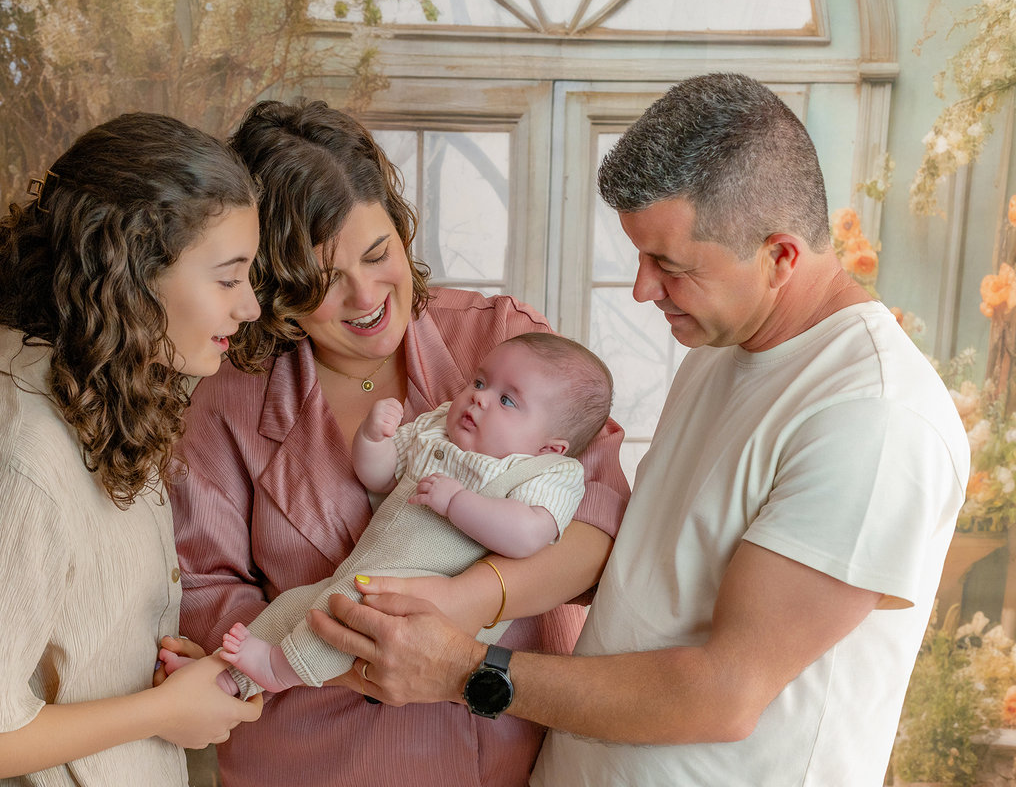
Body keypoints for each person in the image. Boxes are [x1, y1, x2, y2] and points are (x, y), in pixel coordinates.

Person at [308, 72, 971, 786]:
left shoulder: (874, 418)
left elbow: (724, 695)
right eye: (640, 256)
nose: (641, 289)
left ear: (780, 256)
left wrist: (466, 670)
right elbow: (648, 583)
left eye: (670, 266)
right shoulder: (723, 350)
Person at [165, 98, 631, 787]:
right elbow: (206, 589)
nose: (365, 296)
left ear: (401, 229)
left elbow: (599, 522)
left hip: (499, 759)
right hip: (312, 761)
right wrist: (362, 658)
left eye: (378, 254)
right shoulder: (228, 399)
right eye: (326, 280)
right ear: (273, 286)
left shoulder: (505, 340)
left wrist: (467, 607)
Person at [0, 113, 264, 786]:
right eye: (228, 279)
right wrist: (160, 712)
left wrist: (159, 679)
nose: (250, 306)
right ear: (131, 272)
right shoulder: (24, 454)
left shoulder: (95, 404)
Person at [164, 332, 612, 698]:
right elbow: (378, 476)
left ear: (550, 446)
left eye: (508, 401)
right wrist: (373, 439)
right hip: (368, 569)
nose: (479, 399)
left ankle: (277, 670)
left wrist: (458, 503)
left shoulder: (547, 472)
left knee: (343, 614)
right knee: (295, 605)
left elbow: (528, 535)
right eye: (479, 383)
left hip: (427, 593)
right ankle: (224, 677)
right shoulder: (438, 427)